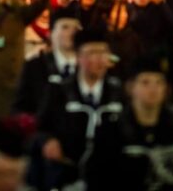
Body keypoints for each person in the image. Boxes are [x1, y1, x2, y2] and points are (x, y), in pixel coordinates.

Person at [33, 30, 123, 190]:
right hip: (67, 174)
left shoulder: (118, 92)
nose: (99, 59)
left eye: (104, 53)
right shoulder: (59, 91)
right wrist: (47, 140)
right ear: (78, 57)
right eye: (92, 53)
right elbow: (40, 127)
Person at [91, 55, 173, 191]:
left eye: (159, 82)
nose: (153, 89)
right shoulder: (111, 131)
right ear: (131, 87)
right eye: (145, 82)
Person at [13, 11, 82, 115]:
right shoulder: (34, 67)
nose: (72, 32)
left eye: (76, 28)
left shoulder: (86, 67)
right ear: (51, 34)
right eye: (65, 27)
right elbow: (20, 106)